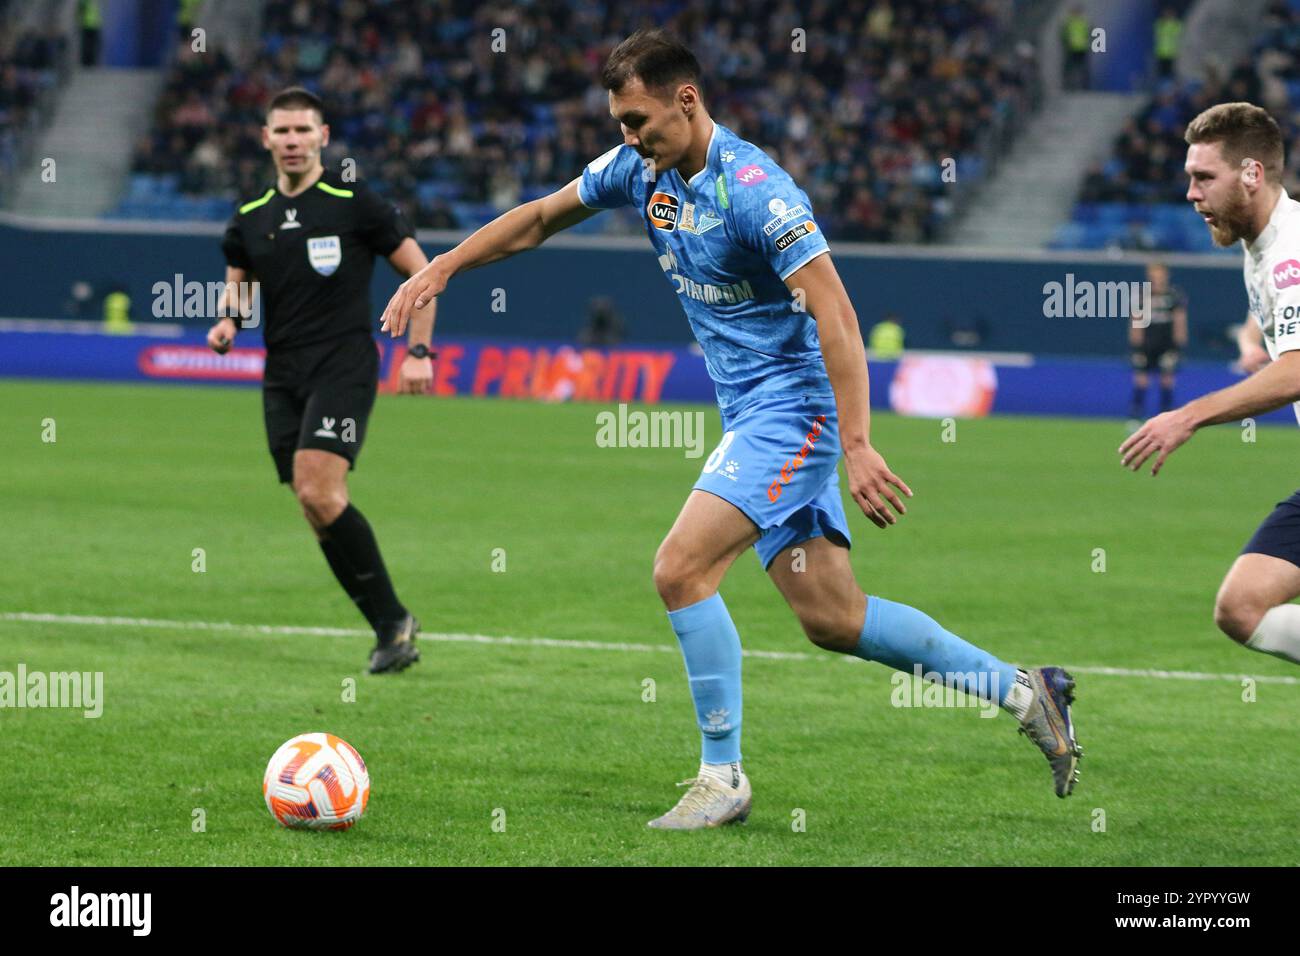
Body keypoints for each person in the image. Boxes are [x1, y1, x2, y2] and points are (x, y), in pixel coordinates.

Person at [382, 30, 1081, 829]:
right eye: (619, 122)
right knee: (833, 618)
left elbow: (837, 313)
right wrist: (440, 268)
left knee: (680, 570)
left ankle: (723, 777)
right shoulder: (638, 172)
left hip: (795, 413)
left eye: (639, 119)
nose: (629, 137)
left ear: (687, 99)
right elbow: (540, 218)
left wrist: (855, 442)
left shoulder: (757, 189)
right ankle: (1030, 693)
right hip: (754, 415)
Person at [206, 87, 437, 674]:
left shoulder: (354, 203)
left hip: (342, 363)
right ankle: (391, 624)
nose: (291, 141)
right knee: (314, 507)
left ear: (323, 137)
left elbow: (423, 272)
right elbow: (241, 277)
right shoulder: (250, 216)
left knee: (318, 490)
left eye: (302, 131)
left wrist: (418, 350)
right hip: (281, 372)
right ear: (265, 138)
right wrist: (230, 319)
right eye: (281, 131)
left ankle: (392, 621)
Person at [1121, 102, 1300, 668]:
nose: (1192, 195)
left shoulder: (1288, 253)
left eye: (1204, 178)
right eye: (1189, 179)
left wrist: (1187, 415)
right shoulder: (1262, 246)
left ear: (1251, 174)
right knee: (1241, 608)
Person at [1128, 262, 1187, 421]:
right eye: (1154, 276)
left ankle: (1165, 416)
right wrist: (1136, 347)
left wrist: (1178, 346)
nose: (1157, 280)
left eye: (1160, 276)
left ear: (1166, 276)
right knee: (1141, 381)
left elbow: (1180, 321)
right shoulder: (1142, 296)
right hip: (1146, 345)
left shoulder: (1174, 296)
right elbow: (1135, 321)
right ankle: (1135, 416)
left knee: (1167, 381)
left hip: (1167, 345)